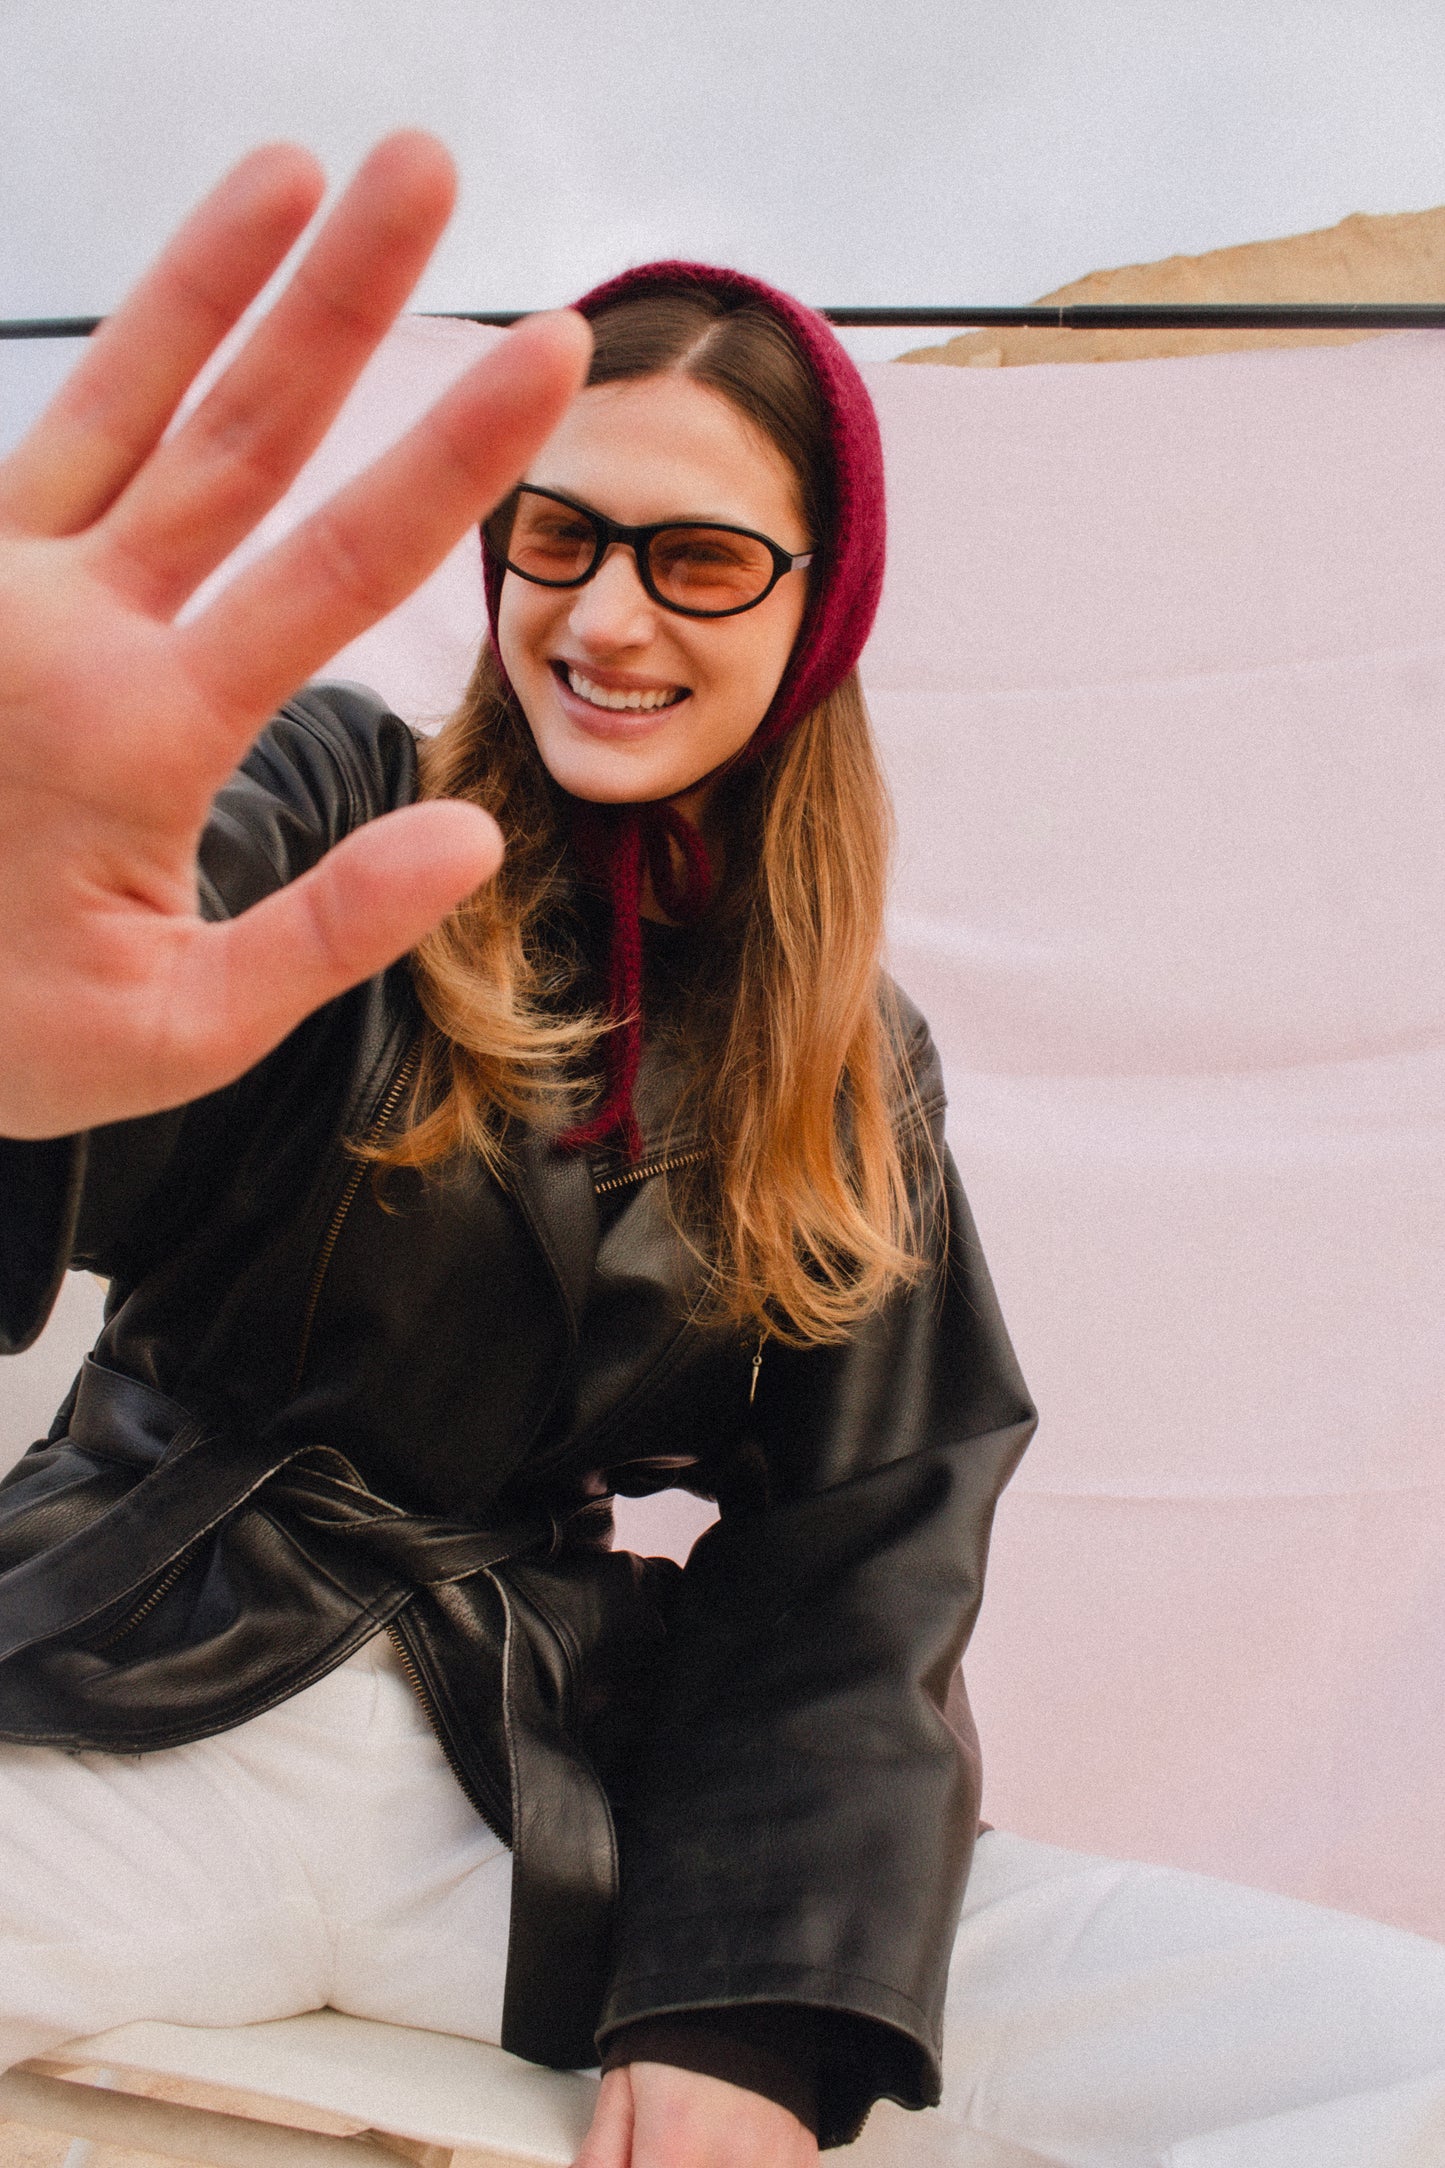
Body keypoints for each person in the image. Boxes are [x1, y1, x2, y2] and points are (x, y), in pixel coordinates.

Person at [2, 133, 1445, 2168]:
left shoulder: (851, 1063)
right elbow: (96, 1060)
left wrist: (755, 2002)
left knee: (1395, 2051)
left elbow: (862, 1541)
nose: (606, 614)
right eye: (558, 537)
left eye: (695, 557)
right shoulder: (336, 796)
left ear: (813, 601)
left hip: (527, 1800)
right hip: (121, 1690)